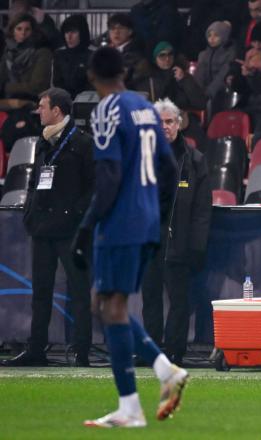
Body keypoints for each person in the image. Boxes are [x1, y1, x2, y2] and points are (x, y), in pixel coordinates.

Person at [70, 46, 185, 428]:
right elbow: (168, 166)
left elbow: (109, 178)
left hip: (120, 222)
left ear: (92, 77)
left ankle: (131, 406)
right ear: (124, 71)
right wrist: (157, 212)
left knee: (110, 307)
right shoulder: (145, 106)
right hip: (146, 219)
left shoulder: (106, 110)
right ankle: (164, 369)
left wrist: (87, 226)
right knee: (104, 303)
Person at [1, 87, 93, 368]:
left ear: (58, 110)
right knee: (41, 292)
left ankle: (81, 351)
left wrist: (74, 215)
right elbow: (35, 181)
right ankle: (36, 349)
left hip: (70, 230)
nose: (38, 111)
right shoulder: (43, 142)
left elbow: (95, 187)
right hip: (42, 228)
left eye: (42, 106)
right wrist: (30, 211)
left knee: (79, 291)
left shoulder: (83, 142)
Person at [141, 98, 212, 366]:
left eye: (169, 121)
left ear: (179, 124)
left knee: (178, 301)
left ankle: (174, 350)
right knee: (150, 298)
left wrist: (196, 246)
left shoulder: (194, 160)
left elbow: (202, 209)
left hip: (179, 240)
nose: (164, 127)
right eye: (159, 122)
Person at [132, 41, 205, 111]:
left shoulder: (182, 76)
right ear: (155, 59)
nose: (167, 59)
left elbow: (201, 103)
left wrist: (184, 79)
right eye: (162, 56)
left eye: (170, 54)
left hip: (181, 119)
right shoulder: (146, 79)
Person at [0, 13, 52, 100]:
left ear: (33, 31)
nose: (23, 33)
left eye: (27, 29)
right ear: (13, 31)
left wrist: (5, 87)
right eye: (19, 29)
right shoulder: (8, 53)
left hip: (33, 103)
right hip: (8, 102)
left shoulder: (42, 53)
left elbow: (36, 87)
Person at [193, 21, 236, 114]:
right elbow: (199, 75)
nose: (211, 39)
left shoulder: (230, 54)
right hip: (205, 96)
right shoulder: (203, 54)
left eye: (216, 35)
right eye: (209, 35)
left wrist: (209, 92)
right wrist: (197, 93)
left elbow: (222, 76)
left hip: (223, 95)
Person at [53, 14, 95, 98]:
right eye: (66, 32)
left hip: (86, 101)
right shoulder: (59, 55)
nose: (69, 36)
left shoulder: (93, 55)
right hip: (63, 101)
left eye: (74, 32)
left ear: (82, 33)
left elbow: (92, 84)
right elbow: (57, 83)